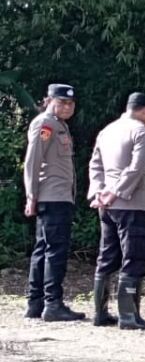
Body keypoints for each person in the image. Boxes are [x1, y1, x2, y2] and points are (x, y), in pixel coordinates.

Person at [88, 92, 145, 330]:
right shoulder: (141, 132)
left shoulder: (106, 131)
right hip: (130, 203)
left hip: (106, 205)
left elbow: (95, 164)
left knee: (107, 255)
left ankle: (100, 313)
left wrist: (99, 192)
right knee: (134, 255)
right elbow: (136, 168)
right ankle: (129, 316)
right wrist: (117, 192)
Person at [23, 84, 84, 321]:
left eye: (70, 103)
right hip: (52, 196)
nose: (67, 107)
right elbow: (33, 160)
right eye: (61, 102)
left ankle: (35, 302)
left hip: (58, 195)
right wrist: (31, 195)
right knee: (54, 251)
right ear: (49, 101)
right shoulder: (45, 124)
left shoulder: (59, 125)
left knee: (44, 249)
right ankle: (52, 303)